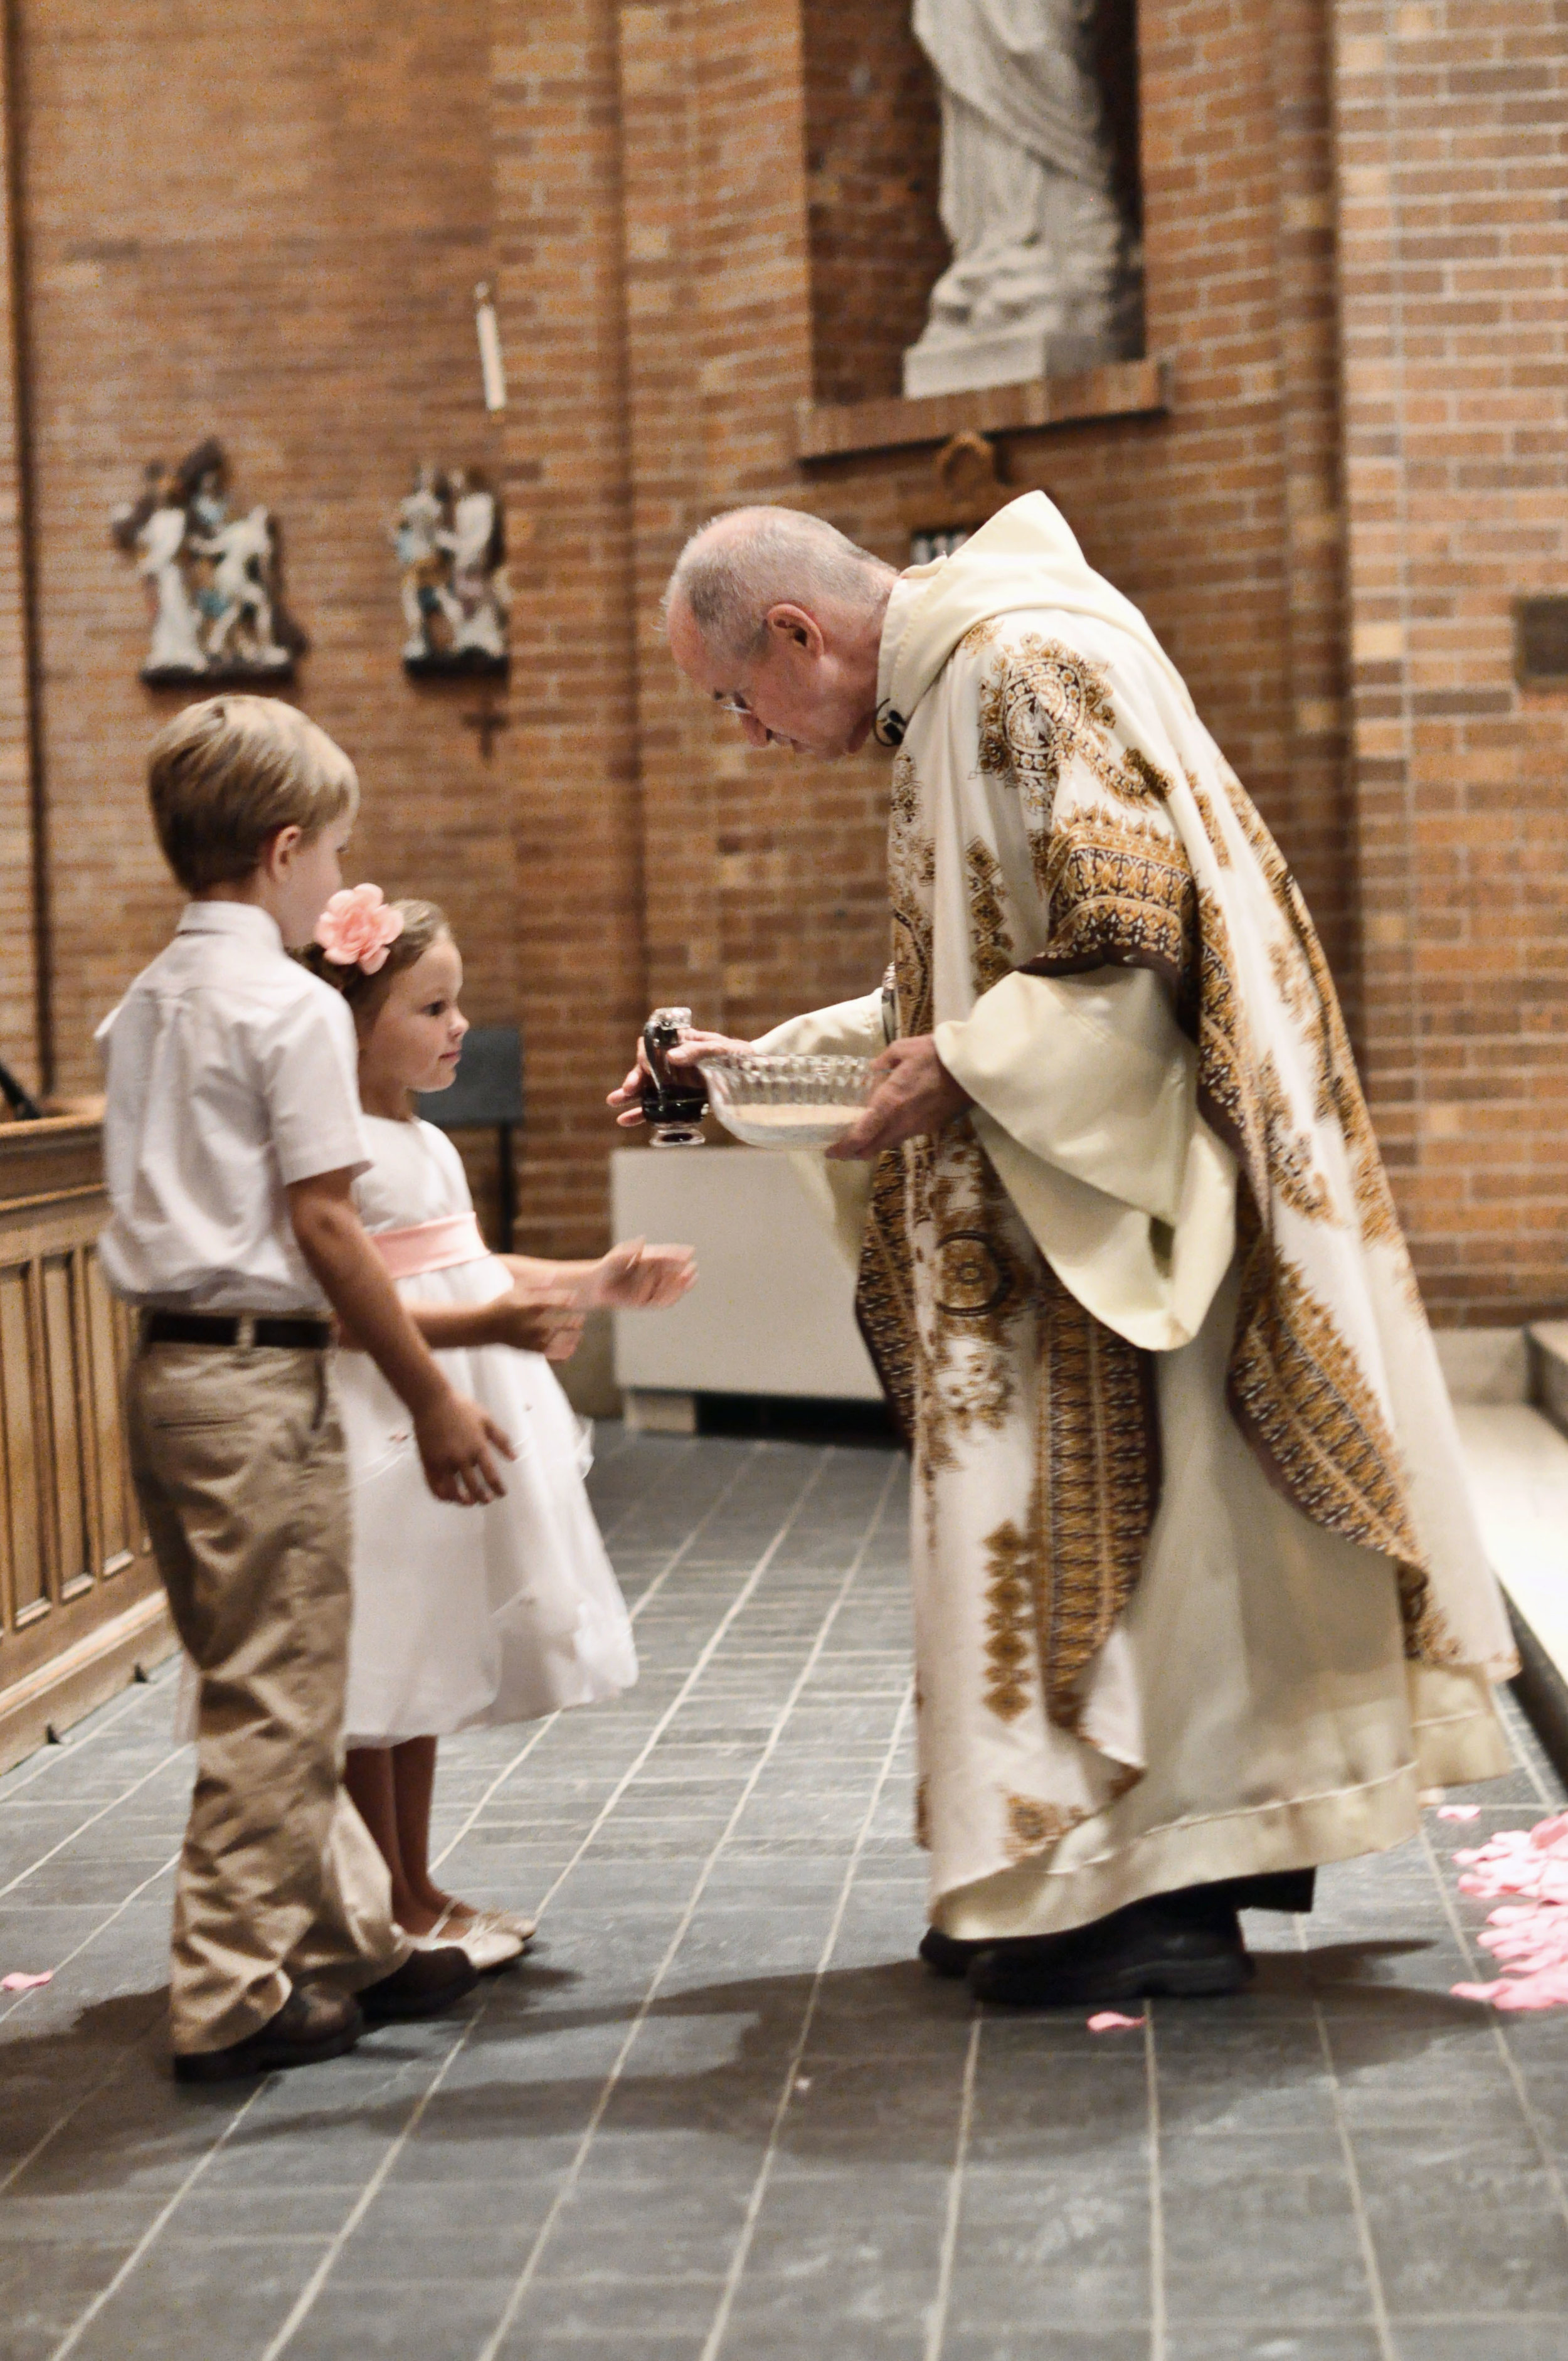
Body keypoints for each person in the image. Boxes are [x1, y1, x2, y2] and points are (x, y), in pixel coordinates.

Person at [612, 496, 1518, 2008]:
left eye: (735, 699)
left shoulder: (1014, 662)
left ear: (795, 634)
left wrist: (963, 1065)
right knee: (1112, 1556)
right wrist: (752, 1072)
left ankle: (1151, 1896)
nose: (746, 733)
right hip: (1059, 1188)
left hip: (1125, 1208)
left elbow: (1127, 929)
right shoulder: (958, 680)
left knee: (1160, 1556)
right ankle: (1063, 1876)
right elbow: (961, 982)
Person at [98, 695, 509, 2081]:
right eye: (334, 850)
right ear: (283, 850)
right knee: (280, 1693)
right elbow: (331, 1226)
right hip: (258, 1381)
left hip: (161, 1369)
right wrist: (435, 1395)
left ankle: (352, 1941)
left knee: (264, 1662)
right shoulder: (281, 1002)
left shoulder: (145, 998)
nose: (342, 879)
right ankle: (225, 1987)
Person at [304, 890, 694, 1967]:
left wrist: (596, 1282)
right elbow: (346, 1305)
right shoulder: (332, 1153)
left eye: (457, 1003)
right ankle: (379, 1903)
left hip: (450, 1406)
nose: (458, 1026)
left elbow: (466, 1267)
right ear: (351, 1020)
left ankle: (417, 1884)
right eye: (431, 1007)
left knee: (421, 1657)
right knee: (376, 1667)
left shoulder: (419, 1138)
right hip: (381, 1419)